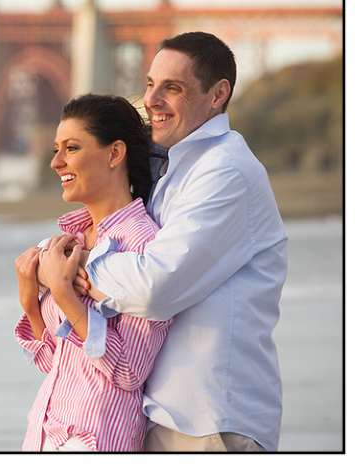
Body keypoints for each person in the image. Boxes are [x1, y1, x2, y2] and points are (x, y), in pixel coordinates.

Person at [74, 32, 287, 451]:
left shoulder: (226, 172)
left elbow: (156, 287)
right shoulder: (168, 168)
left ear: (217, 94)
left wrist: (80, 264)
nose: (151, 99)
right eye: (150, 84)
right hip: (162, 415)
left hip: (213, 421)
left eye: (172, 88)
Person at [14, 94, 170, 451]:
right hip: (48, 434)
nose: (55, 162)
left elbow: (130, 370)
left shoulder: (144, 246)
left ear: (115, 154)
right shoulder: (69, 242)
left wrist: (64, 293)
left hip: (96, 436)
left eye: (71, 148)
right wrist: (29, 299)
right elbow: (54, 361)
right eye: (56, 149)